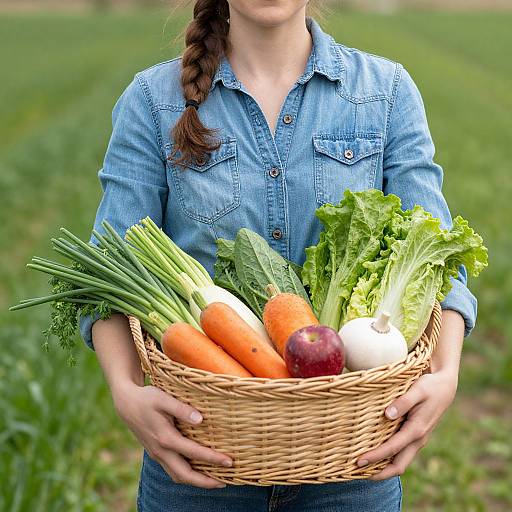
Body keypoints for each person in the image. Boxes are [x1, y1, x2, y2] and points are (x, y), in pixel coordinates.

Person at [79, 1, 477, 510]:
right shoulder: (152, 101)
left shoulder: (386, 92)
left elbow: (440, 252)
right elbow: (107, 262)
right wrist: (125, 390)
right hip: (200, 454)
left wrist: (446, 375)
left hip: (352, 460)